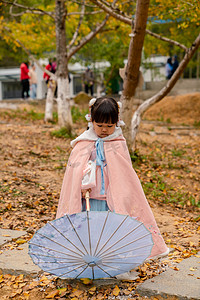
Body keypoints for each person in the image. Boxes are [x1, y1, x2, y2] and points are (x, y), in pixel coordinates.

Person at [56, 96, 169, 260]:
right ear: (91, 120)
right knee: (91, 230)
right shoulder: (83, 143)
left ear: (117, 123)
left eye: (109, 126)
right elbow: (74, 170)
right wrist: (84, 174)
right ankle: (91, 261)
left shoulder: (118, 143)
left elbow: (124, 173)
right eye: (99, 125)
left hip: (112, 198)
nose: (104, 130)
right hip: (89, 197)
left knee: (112, 229)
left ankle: (117, 262)